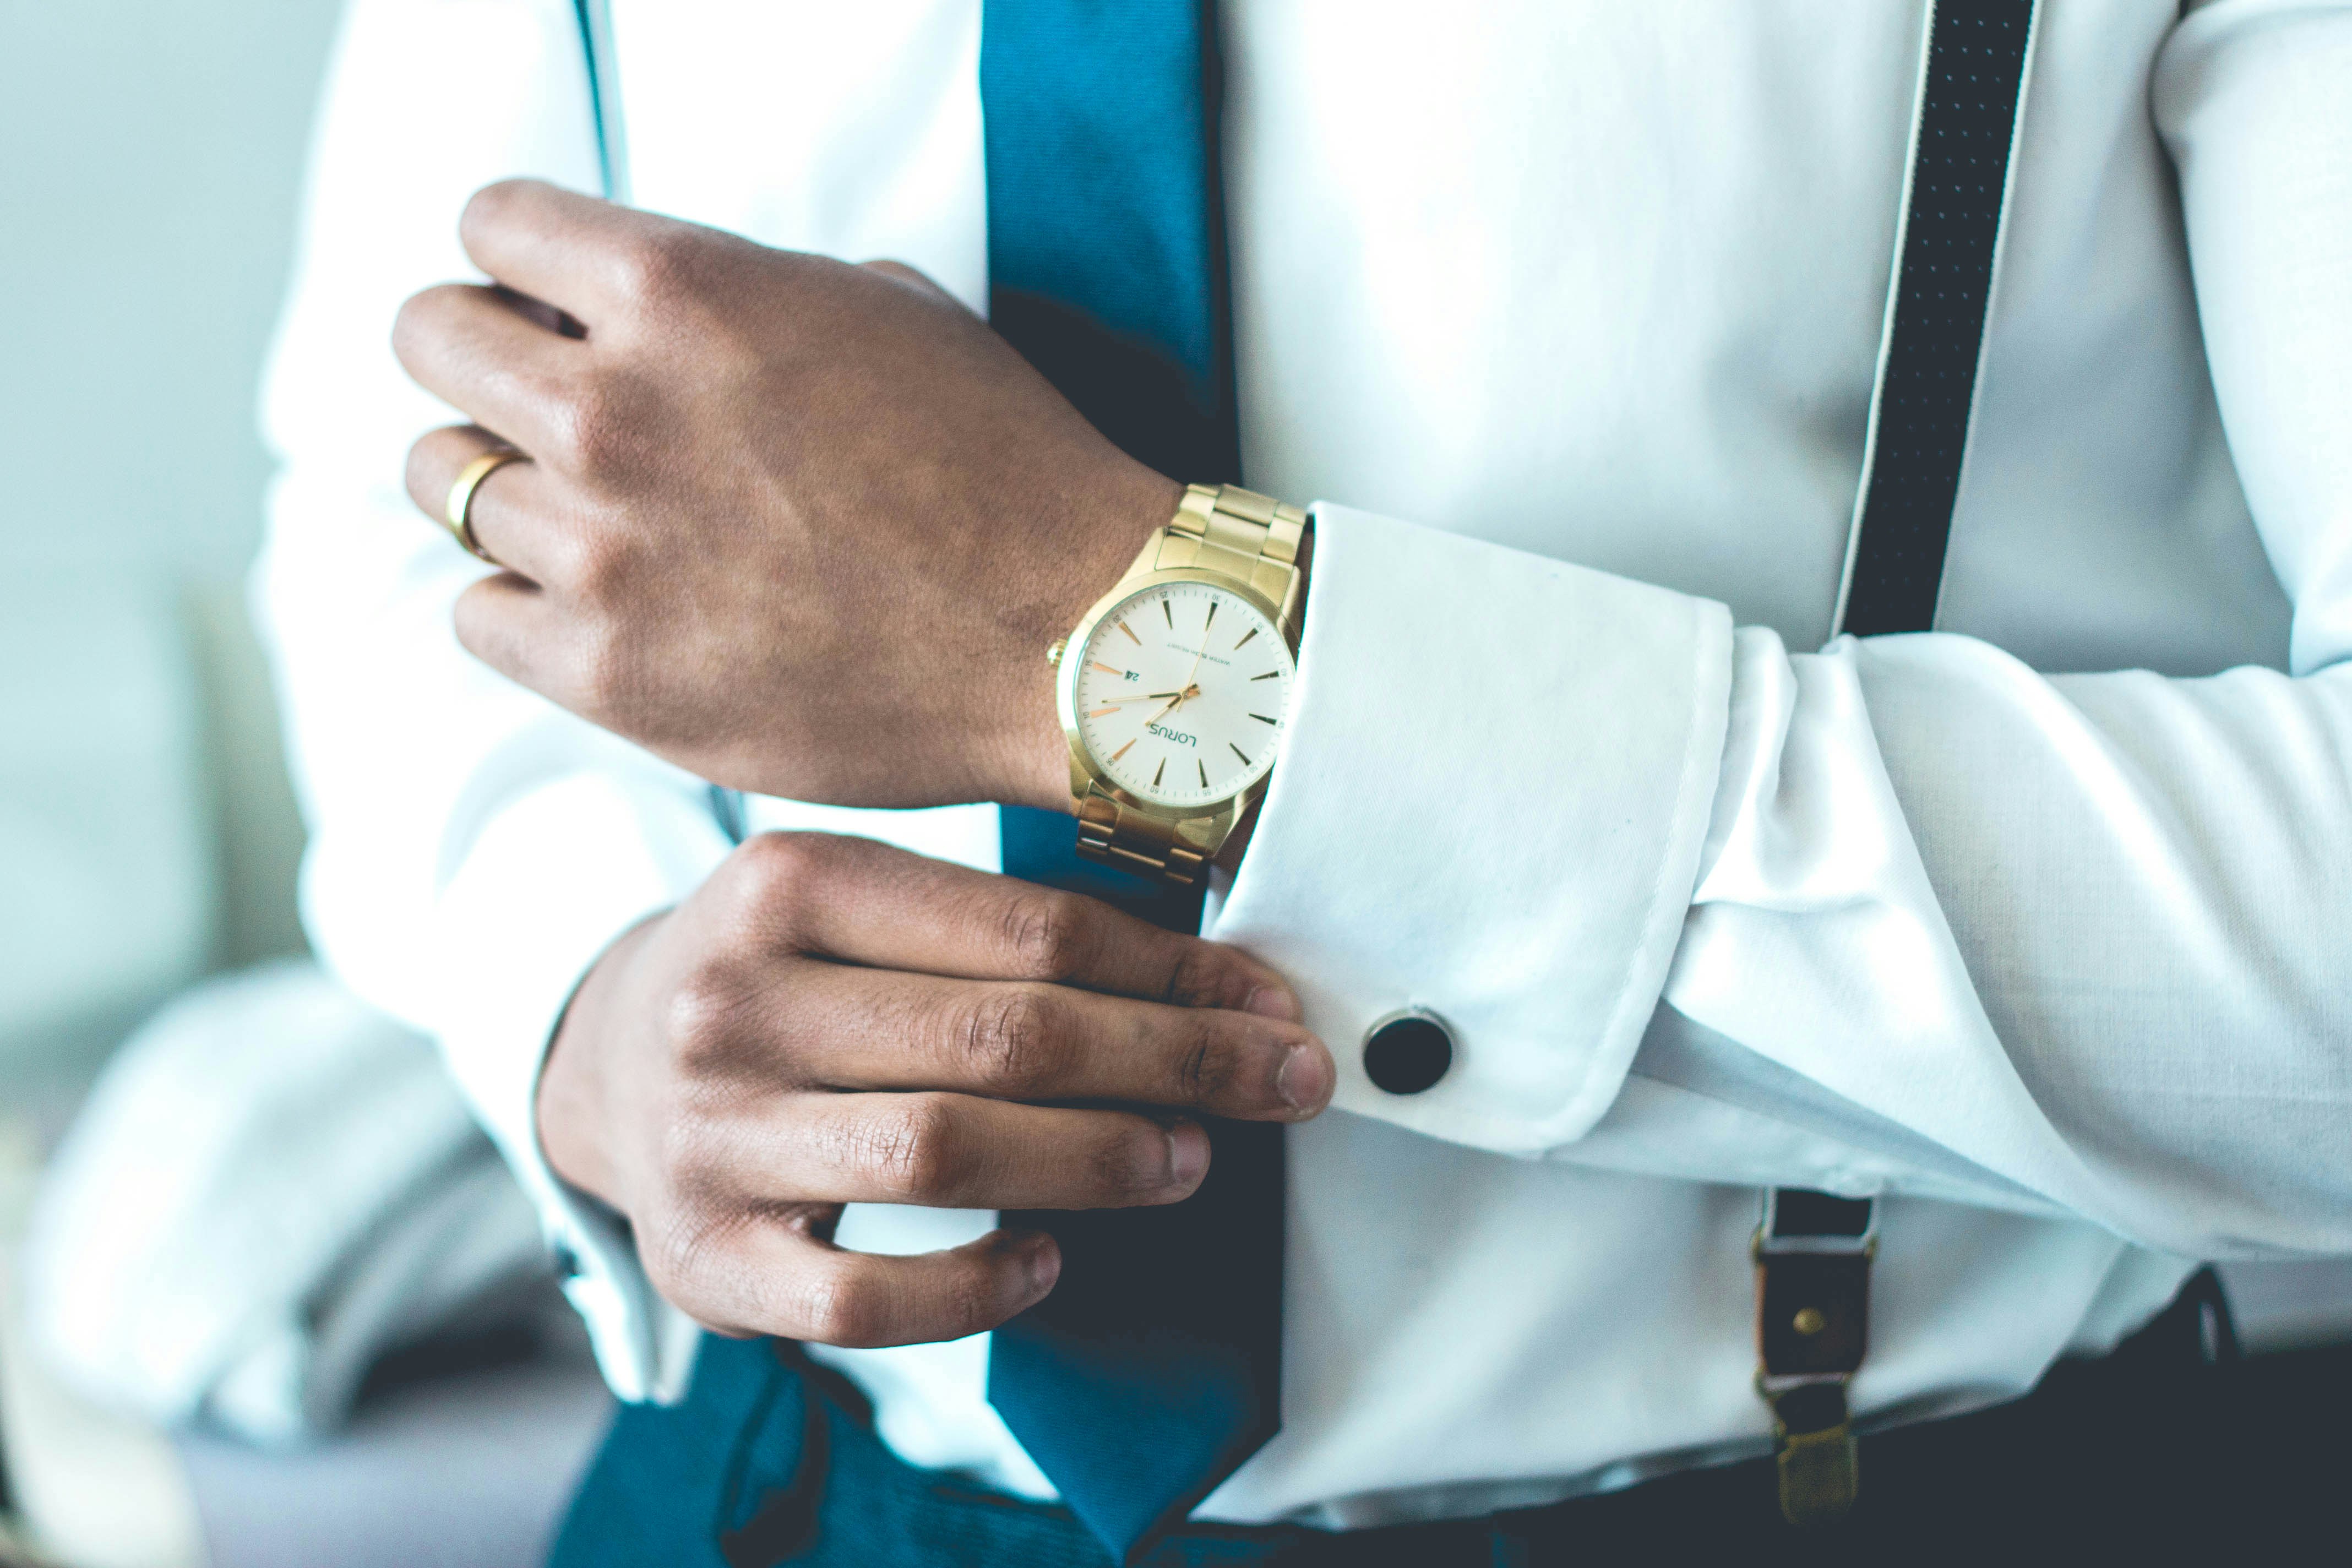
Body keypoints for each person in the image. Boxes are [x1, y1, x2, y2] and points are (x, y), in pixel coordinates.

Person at [254, 1, 2352, 1563]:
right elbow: (397, 489)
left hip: (1906, 1500)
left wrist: (1121, 639)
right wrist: (578, 999)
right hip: (787, 1493)